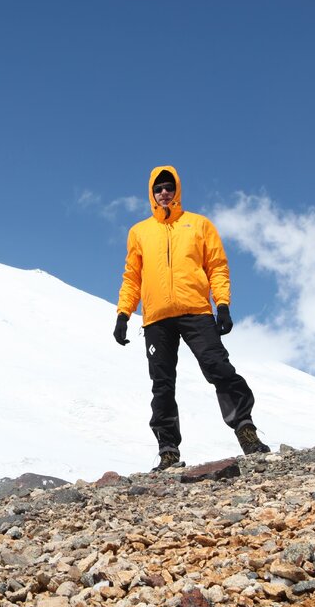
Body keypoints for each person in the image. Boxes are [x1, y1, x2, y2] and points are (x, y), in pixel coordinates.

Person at [113, 165, 270, 471]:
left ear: (177, 189)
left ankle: (246, 431)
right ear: (151, 193)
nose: (164, 193)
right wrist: (123, 313)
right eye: (158, 188)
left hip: (197, 311)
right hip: (156, 319)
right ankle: (168, 451)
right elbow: (132, 277)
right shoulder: (140, 232)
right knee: (162, 385)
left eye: (169, 187)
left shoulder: (199, 225)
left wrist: (222, 304)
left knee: (219, 368)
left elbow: (217, 266)